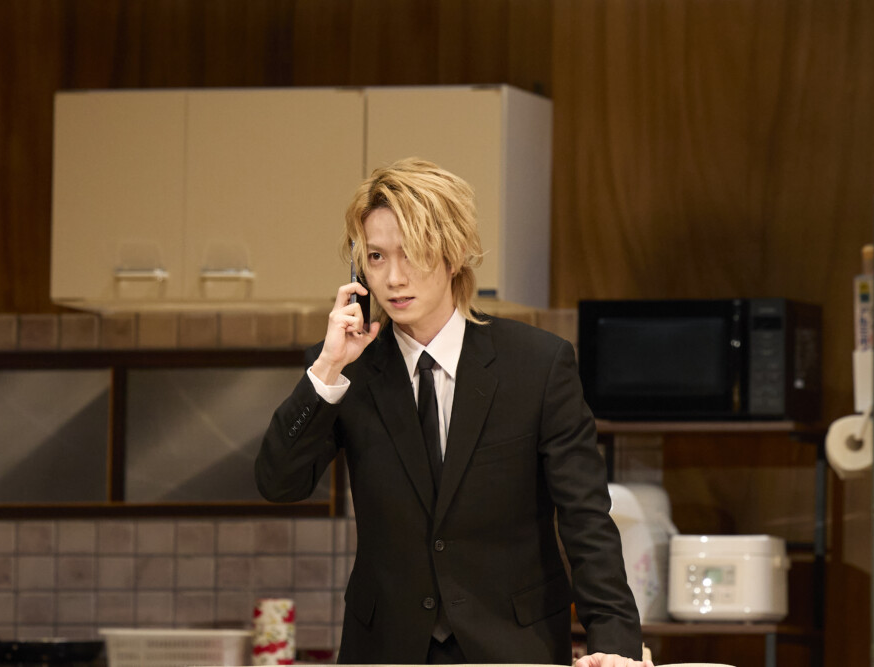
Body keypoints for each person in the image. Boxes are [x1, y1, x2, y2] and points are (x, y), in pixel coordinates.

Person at [256, 158, 652, 667]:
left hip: (512, 648)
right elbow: (278, 483)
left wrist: (614, 643)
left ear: (455, 253)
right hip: (385, 650)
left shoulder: (538, 364)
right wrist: (328, 367)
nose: (393, 278)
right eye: (376, 257)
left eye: (412, 253)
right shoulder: (347, 369)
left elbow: (586, 517)